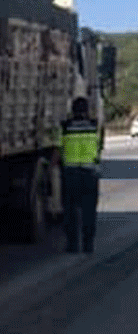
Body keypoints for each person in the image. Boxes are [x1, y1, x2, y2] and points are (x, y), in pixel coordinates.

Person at [59, 96, 101, 253]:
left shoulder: (65, 127)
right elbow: (99, 146)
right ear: (87, 110)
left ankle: (72, 245)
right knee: (89, 211)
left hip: (70, 174)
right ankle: (88, 245)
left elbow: (59, 148)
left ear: (72, 110)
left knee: (70, 211)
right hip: (90, 174)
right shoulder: (94, 127)